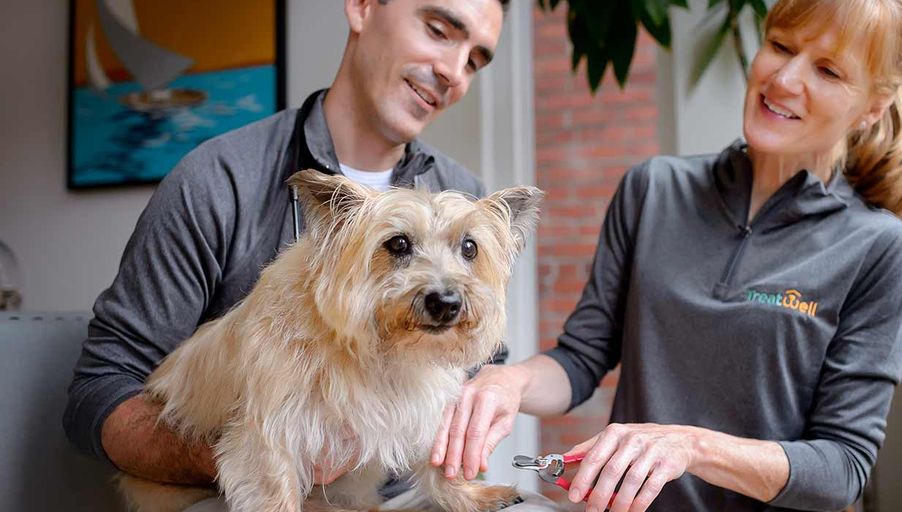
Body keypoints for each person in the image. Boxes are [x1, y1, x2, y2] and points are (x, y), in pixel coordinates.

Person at [433, 0, 902, 511]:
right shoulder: (653, 190)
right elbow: (580, 360)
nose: (784, 79)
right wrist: (509, 382)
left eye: (827, 70)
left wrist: (691, 447)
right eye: (780, 46)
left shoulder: (878, 247)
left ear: (874, 106)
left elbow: (842, 468)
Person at [63, 0, 562, 509]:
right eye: (438, 30)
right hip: (217, 488)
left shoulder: (464, 192)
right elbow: (98, 391)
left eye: (475, 61)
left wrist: (501, 383)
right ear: (362, 7)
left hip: (386, 493)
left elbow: (473, 361)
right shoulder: (220, 179)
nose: (453, 72)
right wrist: (261, 454)